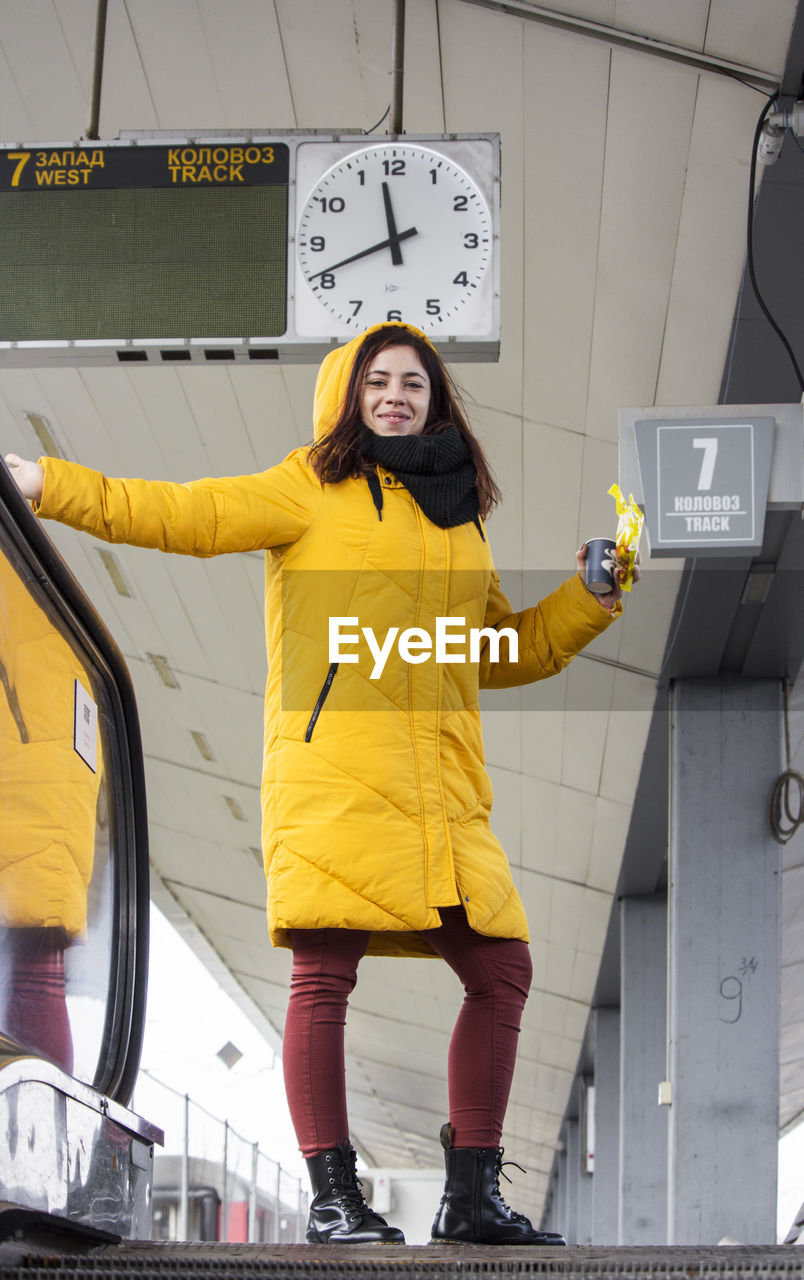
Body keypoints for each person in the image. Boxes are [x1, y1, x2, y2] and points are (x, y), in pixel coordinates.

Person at [5, 320, 636, 1247]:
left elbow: (497, 650)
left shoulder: (458, 519)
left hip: (443, 792)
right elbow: (188, 514)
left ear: (436, 400)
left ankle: (469, 1201)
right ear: (349, 394)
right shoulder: (310, 487)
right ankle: (334, 1196)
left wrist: (590, 597)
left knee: (502, 968)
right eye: (377, 380)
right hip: (336, 770)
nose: (395, 395)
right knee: (325, 973)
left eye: (413, 384)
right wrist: (49, 486)